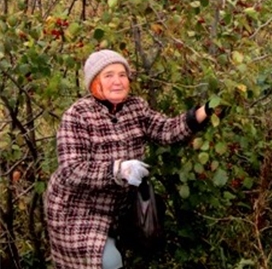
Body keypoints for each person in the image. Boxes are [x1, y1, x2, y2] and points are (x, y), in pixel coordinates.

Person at [44, 49, 219, 269]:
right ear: (94, 82)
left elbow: (166, 130)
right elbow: (72, 170)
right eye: (108, 75)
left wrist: (207, 110)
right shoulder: (78, 114)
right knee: (108, 262)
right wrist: (118, 169)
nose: (117, 81)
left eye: (122, 75)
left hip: (121, 209)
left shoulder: (136, 107)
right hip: (79, 210)